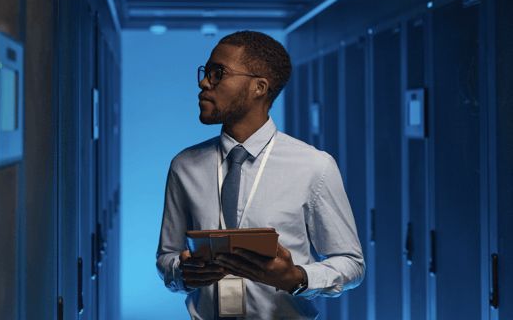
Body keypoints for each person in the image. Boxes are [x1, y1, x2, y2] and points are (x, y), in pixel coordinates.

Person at [156, 30, 364, 319]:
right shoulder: (184, 165)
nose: (204, 83)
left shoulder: (314, 166)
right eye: (206, 72)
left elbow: (351, 264)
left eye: (218, 73)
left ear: (259, 87)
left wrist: (297, 278)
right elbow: (166, 257)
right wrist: (183, 273)